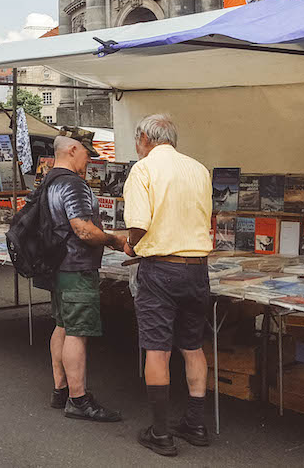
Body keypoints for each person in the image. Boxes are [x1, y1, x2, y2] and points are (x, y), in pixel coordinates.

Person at [121, 114, 213, 457]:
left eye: (136, 140)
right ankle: (196, 423)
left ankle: (160, 433)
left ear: (145, 137)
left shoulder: (143, 169)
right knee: (192, 346)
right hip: (197, 269)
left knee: (157, 349)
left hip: (161, 269)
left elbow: (139, 224)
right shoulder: (199, 169)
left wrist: (130, 244)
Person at [41, 136, 126, 423]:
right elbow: (84, 230)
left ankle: (60, 390)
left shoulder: (48, 181)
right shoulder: (73, 184)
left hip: (57, 266)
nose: (88, 160)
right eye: (86, 154)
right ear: (72, 150)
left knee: (62, 325)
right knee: (77, 331)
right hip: (76, 267)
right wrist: (114, 240)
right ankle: (78, 399)